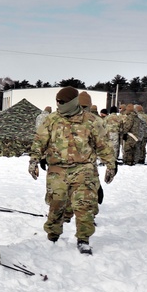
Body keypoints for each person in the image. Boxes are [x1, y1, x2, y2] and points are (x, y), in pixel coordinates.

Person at [28, 86, 116, 254]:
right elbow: (39, 142)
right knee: (56, 204)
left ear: (73, 102)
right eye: (57, 102)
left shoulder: (91, 121)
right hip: (57, 170)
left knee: (84, 205)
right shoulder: (51, 120)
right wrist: (33, 160)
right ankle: (53, 235)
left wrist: (111, 164)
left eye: (62, 102)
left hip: (84, 169)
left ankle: (83, 239)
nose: (59, 105)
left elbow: (103, 146)